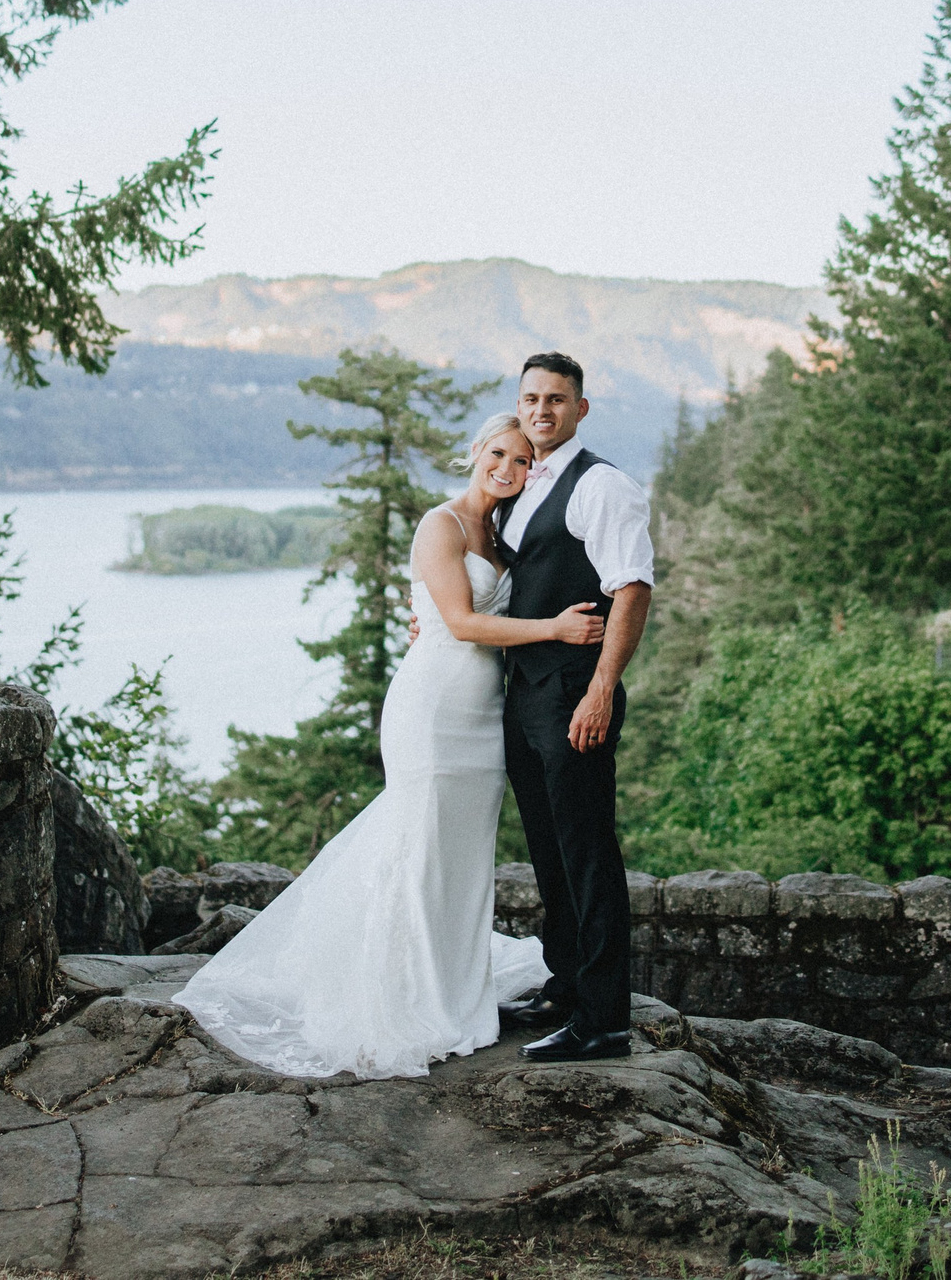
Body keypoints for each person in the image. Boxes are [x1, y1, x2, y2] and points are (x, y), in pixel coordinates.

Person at [174, 413, 608, 1079]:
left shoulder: (501, 533)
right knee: (418, 841)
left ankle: (455, 987)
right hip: (433, 704)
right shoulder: (441, 524)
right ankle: (400, 993)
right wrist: (553, 627)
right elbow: (461, 622)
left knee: (461, 852)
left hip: (484, 710)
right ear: (475, 451)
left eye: (522, 461)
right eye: (499, 453)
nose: (508, 468)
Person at [498, 352, 653, 1063]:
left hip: (572, 691)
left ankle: (604, 1020)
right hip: (523, 691)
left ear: (580, 408)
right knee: (548, 849)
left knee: (588, 853)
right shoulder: (530, 483)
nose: (541, 410)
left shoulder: (603, 485)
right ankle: (565, 983)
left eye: (556, 399)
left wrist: (600, 687)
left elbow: (632, 588)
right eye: (531, 398)